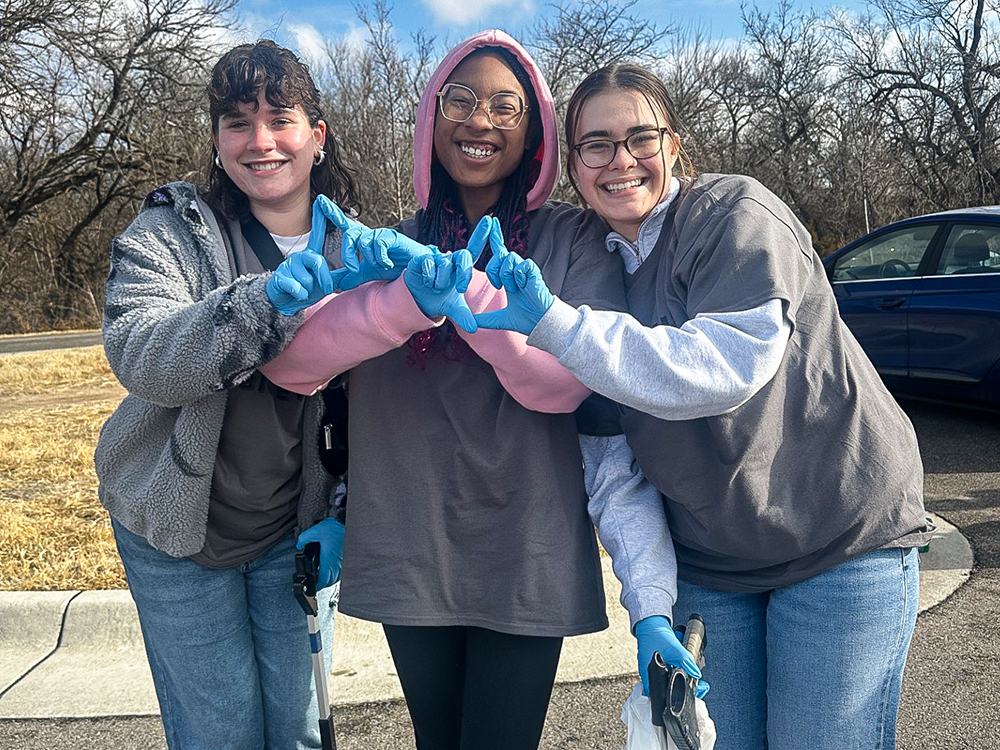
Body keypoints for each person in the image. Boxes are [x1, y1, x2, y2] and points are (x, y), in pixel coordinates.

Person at [472, 63, 935, 750]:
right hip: (712, 564)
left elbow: (725, 366)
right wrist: (651, 611)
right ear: (573, 165)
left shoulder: (734, 215)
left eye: (641, 137)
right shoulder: (588, 275)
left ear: (675, 145)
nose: (621, 160)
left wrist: (556, 327)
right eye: (596, 144)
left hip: (840, 537)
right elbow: (615, 471)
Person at [257, 30, 692, 750]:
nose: (479, 120)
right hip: (407, 537)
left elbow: (563, 386)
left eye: (505, 106)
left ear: (535, 133)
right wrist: (391, 300)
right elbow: (299, 370)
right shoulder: (384, 244)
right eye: (458, 100)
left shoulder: (574, 242)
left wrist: (465, 294)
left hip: (526, 542)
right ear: (432, 121)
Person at [95, 40, 358, 750]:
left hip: (293, 534)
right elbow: (141, 353)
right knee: (221, 734)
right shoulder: (168, 233)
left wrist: (345, 511)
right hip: (174, 535)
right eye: (238, 122)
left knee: (299, 730)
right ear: (216, 141)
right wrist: (265, 303)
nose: (260, 141)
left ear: (317, 136)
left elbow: (381, 407)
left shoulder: (358, 250)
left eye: (280, 119)